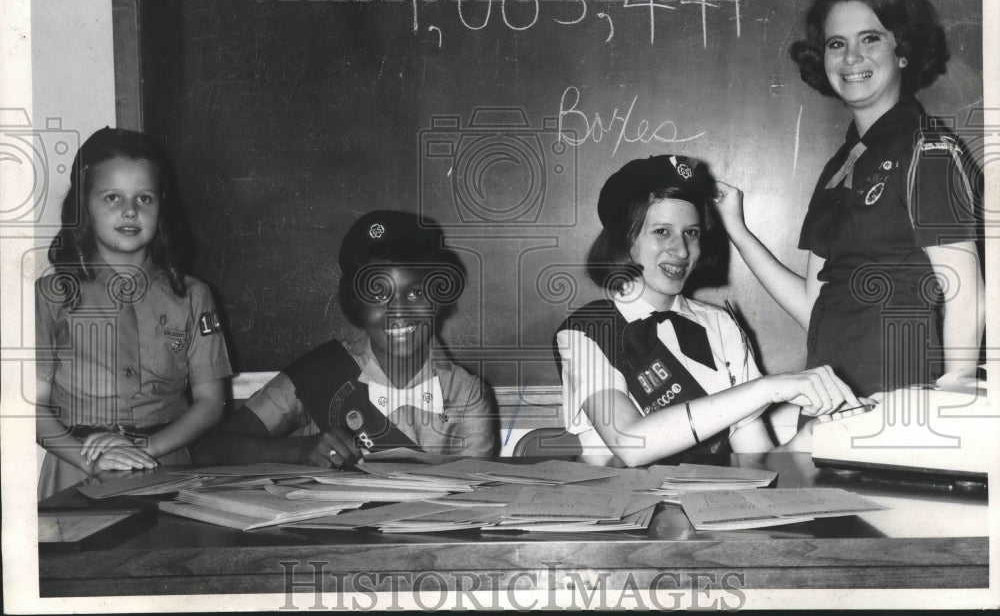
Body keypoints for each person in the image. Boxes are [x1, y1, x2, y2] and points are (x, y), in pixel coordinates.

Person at [715, 0, 984, 397]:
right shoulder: (839, 167)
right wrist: (738, 232)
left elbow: (965, 290)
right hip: (833, 400)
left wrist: (954, 392)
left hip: (901, 402)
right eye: (836, 44)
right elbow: (813, 306)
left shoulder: (929, 150)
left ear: (902, 51)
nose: (851, 57)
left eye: (870, 39)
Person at [555, 154, 862, 467]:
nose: (681, 251)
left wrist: (809, 439)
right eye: (662, 231)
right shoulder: (588, 330)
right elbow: (630, 444)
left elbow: (754, 462)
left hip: (712, 498)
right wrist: (767, 388)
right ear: (625, 238)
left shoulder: (720, 324)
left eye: (691, 232)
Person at [194, 210, 496, 467]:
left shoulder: (467, 396)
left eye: (415, 293)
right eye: (377, 294)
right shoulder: (323, 372)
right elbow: (208, 449)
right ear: (356, 305)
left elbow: (475, 498)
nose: (398, 312)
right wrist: (298, 450)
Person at [35, 127, 232, 499]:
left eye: (144, 198)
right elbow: (29, 406)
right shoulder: (51, 295)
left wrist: (146, 449)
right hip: (76, 467)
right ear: (84, 206)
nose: (130, 210)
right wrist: (88, 460)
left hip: (165, 464)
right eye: (112, 197)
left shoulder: (192, 295)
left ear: (161, 207)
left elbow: (211, 403)